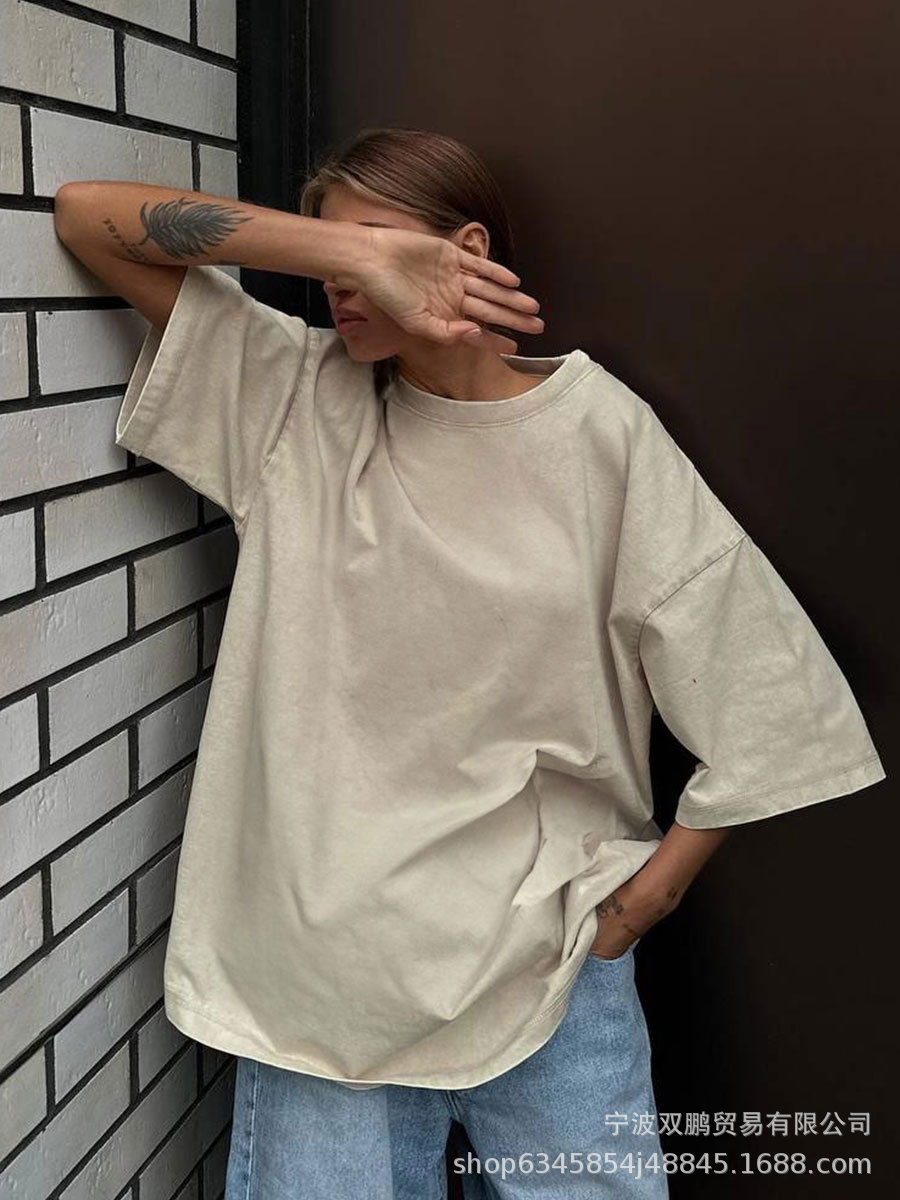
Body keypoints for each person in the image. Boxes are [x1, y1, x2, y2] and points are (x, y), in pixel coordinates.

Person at [53, 127, 886, 1199]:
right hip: (320, 978)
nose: (341, 281)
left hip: (548, 969)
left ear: (471, 250)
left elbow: (759, 682)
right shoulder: (288, 399)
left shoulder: (597, 436)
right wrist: (346, 253)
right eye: (326, 253)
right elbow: (88, 218)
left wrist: (644, 903)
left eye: (374, 241)